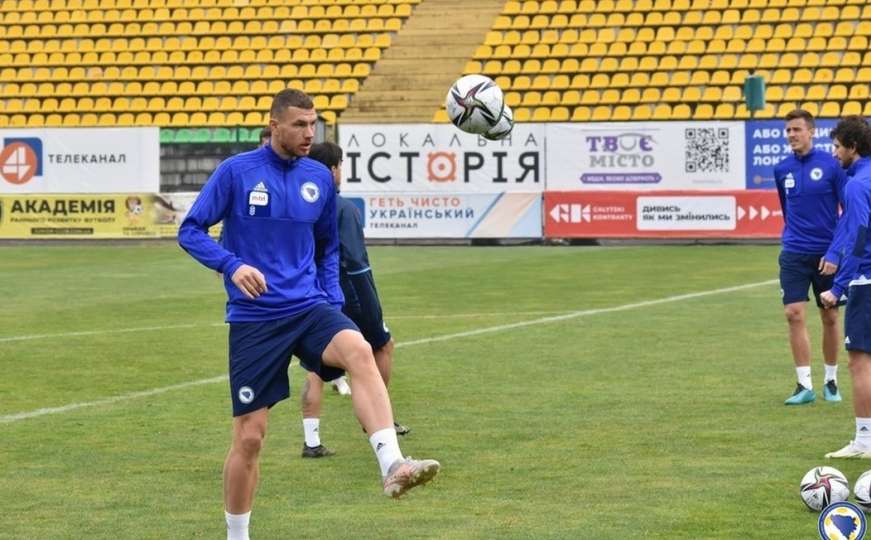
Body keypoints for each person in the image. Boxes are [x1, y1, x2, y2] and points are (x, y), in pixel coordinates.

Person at [178, 89, 440, 540]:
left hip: (309, 307)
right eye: (299, 124)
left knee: (359, 347)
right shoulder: (237, 173)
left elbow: (327, 248)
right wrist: (232, 264)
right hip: (255, 318)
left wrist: (331, 303)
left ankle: (393, 464)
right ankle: (237, 535)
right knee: (250, 437)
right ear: (274, 124)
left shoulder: (318, 177)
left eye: (313, 124)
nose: (309, 133)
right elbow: (190, 230)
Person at [298, 141, 409, 459]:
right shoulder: (342, 207)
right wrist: (369, 299)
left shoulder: (302, 205)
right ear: (333, 169)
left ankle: (312, 441)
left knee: (317, 366)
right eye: (341, 166)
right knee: (382, 345)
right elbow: (356, 261)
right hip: (349, 292)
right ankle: (380, 422)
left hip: (312, 294)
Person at [774, 109, 848, 405]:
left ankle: (830, 379)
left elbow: (847, 212)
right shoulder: (782, 169)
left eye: (796, 129)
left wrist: (835, 251)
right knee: (793, 313)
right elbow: (786, 208)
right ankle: (804, 385)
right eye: (788, 130)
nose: (791, 135)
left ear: (811, 132)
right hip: (792, 252)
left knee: (829, 316)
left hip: (826, 255)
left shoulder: (832, 166)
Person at [817, 116, 871, 458]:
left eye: (837, 146)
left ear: (852, 147)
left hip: (867, 279)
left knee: (859, 361)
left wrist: (837, 288)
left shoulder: (856, 185)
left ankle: (864, 441)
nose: (834, 152)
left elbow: (860, 234)